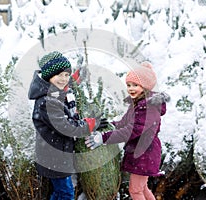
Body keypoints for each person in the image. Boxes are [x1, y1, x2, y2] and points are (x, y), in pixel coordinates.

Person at [85, 61, 170, 200]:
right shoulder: (137, 104)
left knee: (135, 190)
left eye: (135, 85)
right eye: (129, 85)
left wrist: (104, 138)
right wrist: (108, 125)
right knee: (142, 188)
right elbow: (124, 123)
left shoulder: (149, 108)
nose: (131, 88)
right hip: (142, 151)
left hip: (145, 153)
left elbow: (131, 130)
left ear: (145, 87)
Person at [28, 51, 98, 200]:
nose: (64, 79)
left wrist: (75, 78)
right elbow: (66, 127)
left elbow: (63, 85)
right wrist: (88, 125)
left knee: (60, 192)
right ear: (48, 76)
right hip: (54, 158)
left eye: (66, 75)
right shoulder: (47, 101)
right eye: (60, 75)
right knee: (66, 193)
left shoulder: (54, 91)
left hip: (56, 155)